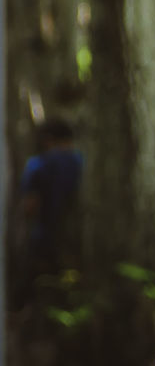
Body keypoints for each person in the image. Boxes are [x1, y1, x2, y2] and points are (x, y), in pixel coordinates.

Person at [17, 117, 83, 308]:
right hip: (79, 238)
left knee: (39, 283)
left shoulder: (38, 164)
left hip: (46, 234)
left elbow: (30, 205)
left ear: (47, 139)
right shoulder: (82, 161)